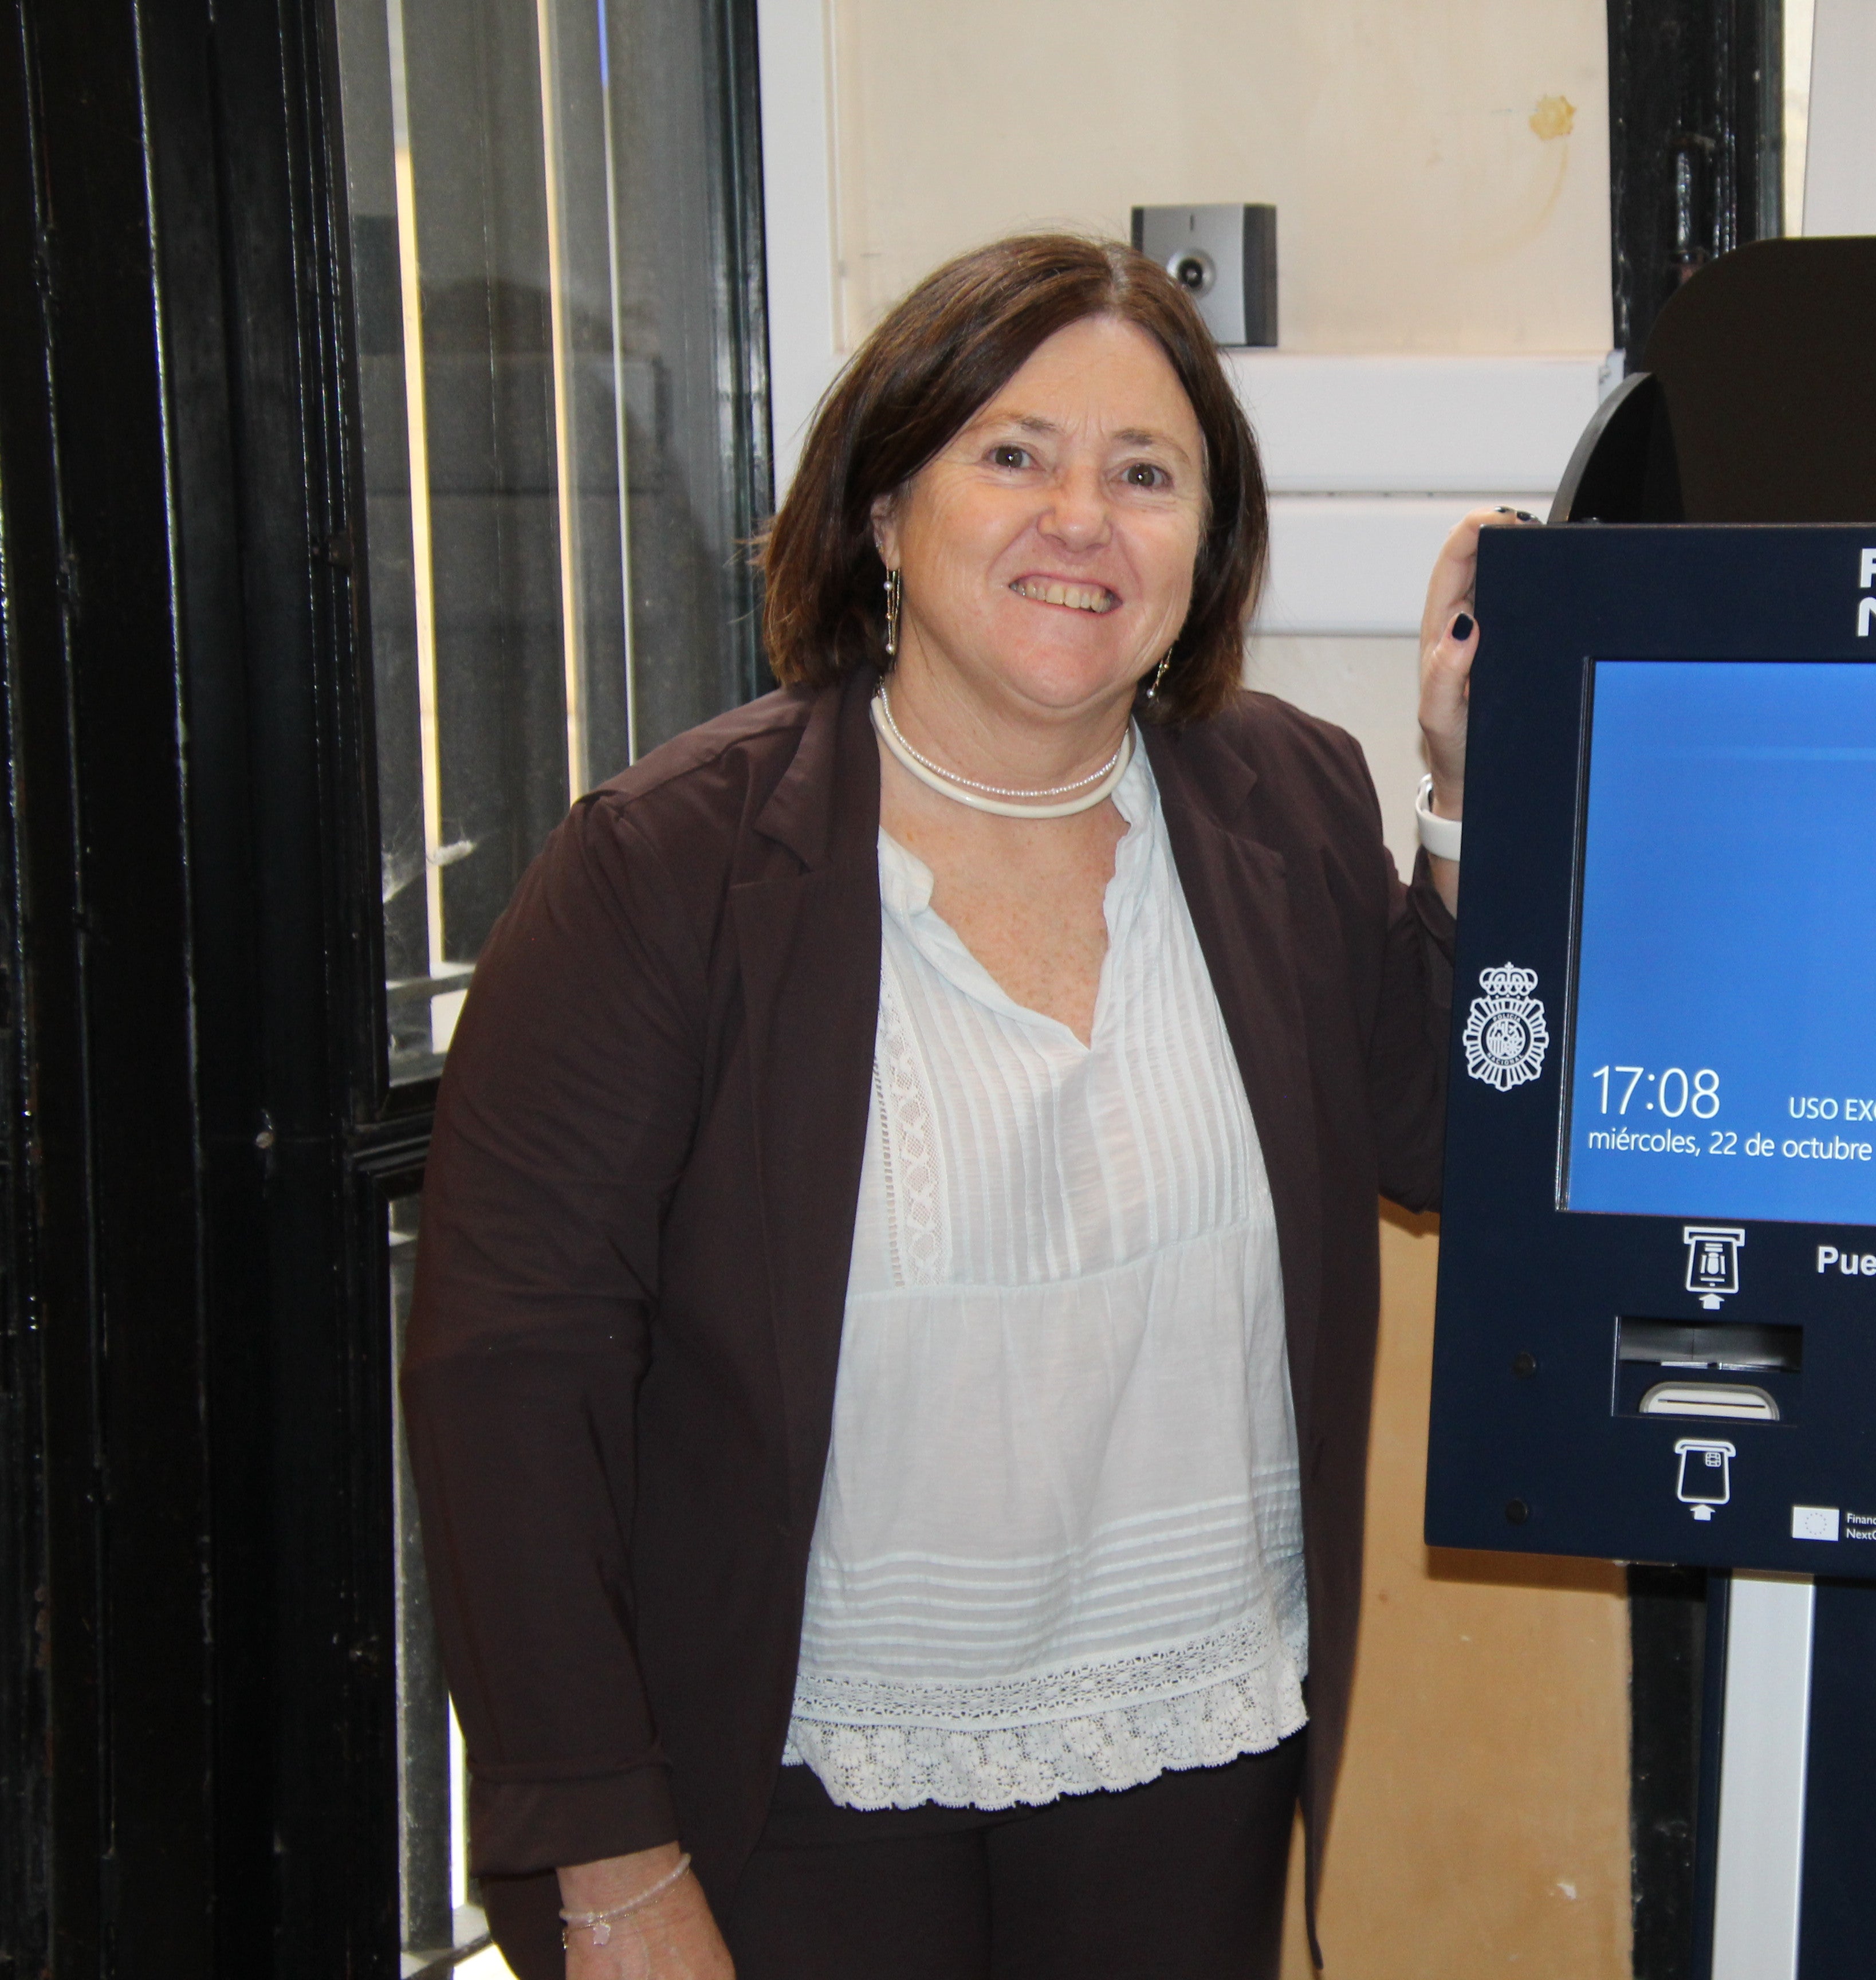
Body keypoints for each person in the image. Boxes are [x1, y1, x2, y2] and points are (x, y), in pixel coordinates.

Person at [400, 232, 1505, 1979]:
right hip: (794, 1790)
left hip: (1192, 1748)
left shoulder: (1284, 799)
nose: (1083, 517)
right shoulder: (664, 871)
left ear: (1204, 547)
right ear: (884, 510)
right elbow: (506, 1377)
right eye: (1013, 454)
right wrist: (604, 1857)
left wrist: (1465, 797)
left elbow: (1447, 1131)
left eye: (1146, 474)